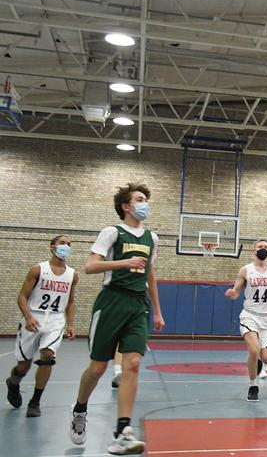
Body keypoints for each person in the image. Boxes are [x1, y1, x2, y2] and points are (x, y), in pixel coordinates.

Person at [70, 183, 165, 454]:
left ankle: (123, 430)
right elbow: (90, 266)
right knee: (98, 369)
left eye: (146, 199)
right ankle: (79, 408)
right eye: (139, 199)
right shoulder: (112, 232)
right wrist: (123, 262)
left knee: (132, 363)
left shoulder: (152, 238)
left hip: (138, 304)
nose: (144, 203)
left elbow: (150, 274)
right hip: (111, 301)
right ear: (126, 206)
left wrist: (157, 310)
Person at [6, 236, 77, 418]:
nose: (66, 246)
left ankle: (35, 402)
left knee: (47, 355)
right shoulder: (38, 269)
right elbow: (22, 296)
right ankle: (13, 383)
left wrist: (70, 324)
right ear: (52, 247)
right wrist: (28, 317)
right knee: (23, 366)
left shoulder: (72, 274)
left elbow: (70, 302)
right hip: (33, 317)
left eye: (69, 244)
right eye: (62, 243)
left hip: (55, 320)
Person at [224, 239, 267, 402]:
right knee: (253, 350)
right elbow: (237, 291)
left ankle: (259, 364)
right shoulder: (246, 270)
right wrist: (232, 294)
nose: (263, 249)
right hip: (250, 315)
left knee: (266, 358)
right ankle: (253, 386)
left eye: (266, 247)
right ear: (254, 250)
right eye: (260, 247)